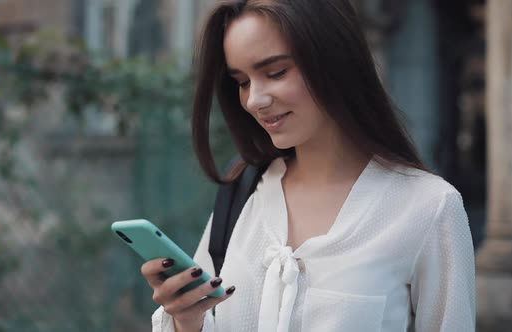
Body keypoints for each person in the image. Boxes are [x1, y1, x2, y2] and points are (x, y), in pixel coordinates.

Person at [142, 0, 476, 331]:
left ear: (335, 62)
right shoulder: (242, 193)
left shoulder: (428, 208)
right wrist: (186, 321)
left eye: (275, 72)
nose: (255, 99)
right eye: (242, 82)